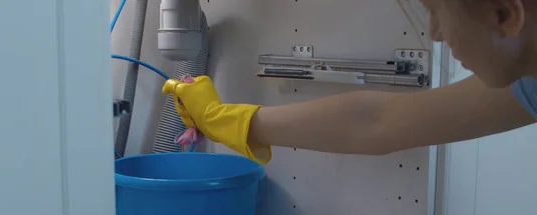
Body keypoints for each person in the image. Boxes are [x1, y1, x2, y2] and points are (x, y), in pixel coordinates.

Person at [162, 0, 537, 165]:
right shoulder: (528, 85)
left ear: (505, 14)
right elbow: (376, 122)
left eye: (437, 12)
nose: (435, 34)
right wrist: (222, 118)